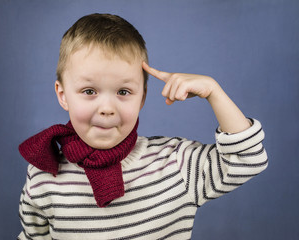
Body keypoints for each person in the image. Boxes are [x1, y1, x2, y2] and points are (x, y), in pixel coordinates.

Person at [17, 13, 268, 240]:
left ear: (143, 97)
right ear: (62, 95)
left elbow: (247, 159)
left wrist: (214, 92)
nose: (107, 108)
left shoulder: (175, 164)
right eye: (89, 91)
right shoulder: (43, 175)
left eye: (123, 91)